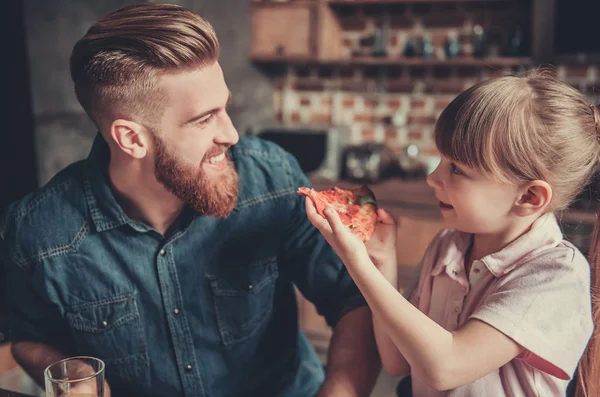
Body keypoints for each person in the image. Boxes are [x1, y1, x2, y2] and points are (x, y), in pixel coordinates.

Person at [0, 3, 381, 397]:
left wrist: (339, 391)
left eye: (225, 108)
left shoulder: (273, 177)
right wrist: (69, 370)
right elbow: (28, 338)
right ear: (131, 138)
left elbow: (352, 298)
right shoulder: (38, 232)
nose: (231, 134)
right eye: (204, 119)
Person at [306, 71, 599, 396]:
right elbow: (397, 361)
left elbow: (445, 368)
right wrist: (380, 260)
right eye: (442, 160)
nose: (433, 178)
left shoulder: (556, 275)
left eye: (456, 169)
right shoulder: (448, 246)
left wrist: (357, 264)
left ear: (529, 197)